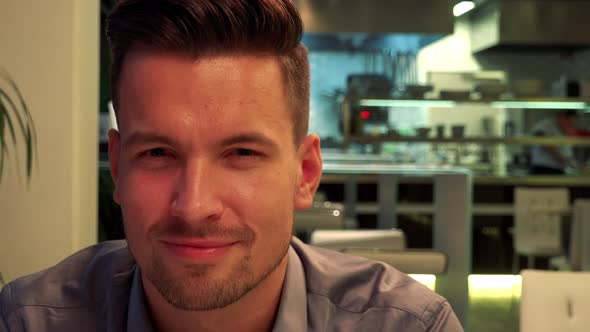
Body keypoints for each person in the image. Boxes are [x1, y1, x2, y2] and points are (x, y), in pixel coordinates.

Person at [0, 1, 463, 331]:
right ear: (119, 167)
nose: (194, 206)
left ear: (304, 174)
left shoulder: (406, 325)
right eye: (158, 153)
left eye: (241, 154)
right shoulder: (29, 320)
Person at [529, 111, 578, 175]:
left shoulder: (564, 130)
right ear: (562, 117)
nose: (570, 124)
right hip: (543, 168)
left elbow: (566, 151)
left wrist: (571, 162)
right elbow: (543, 141)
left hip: (559, 169)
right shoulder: (546, 125)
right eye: (569, 122)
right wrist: (562, 158)